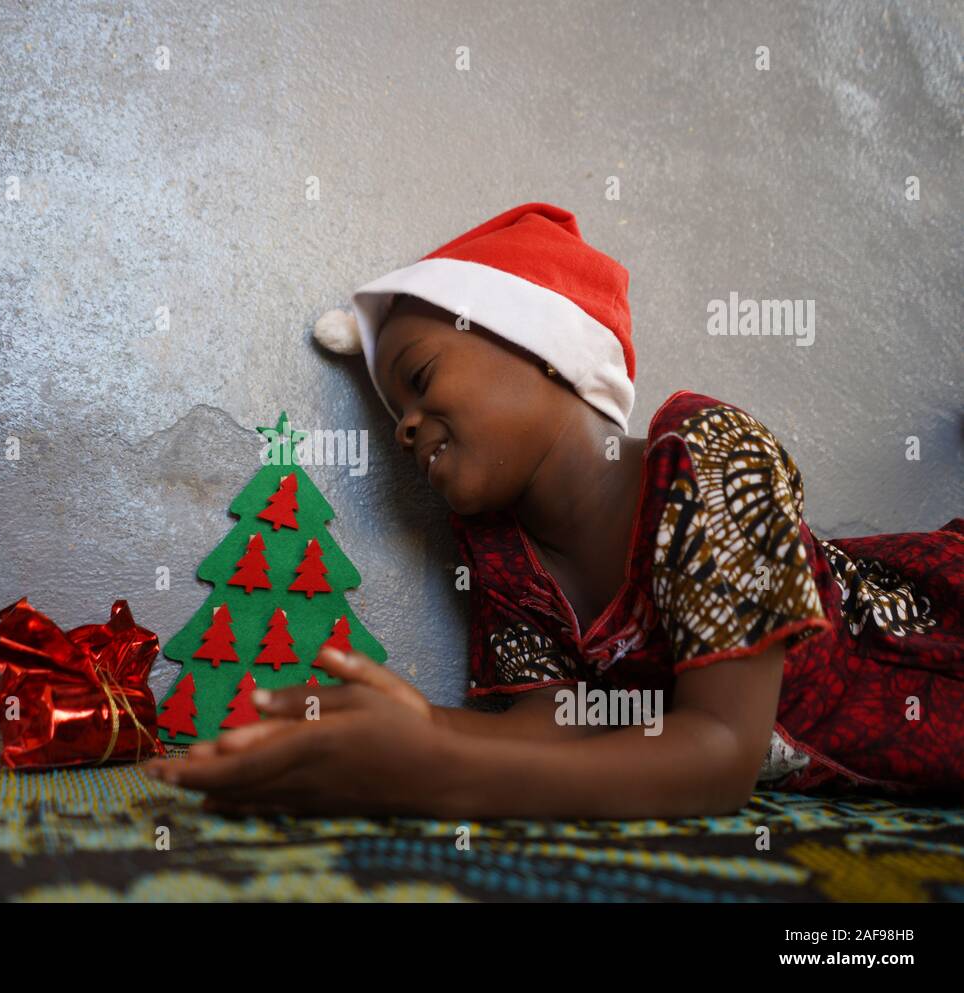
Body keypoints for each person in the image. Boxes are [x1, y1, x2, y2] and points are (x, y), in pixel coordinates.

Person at [142, 202, 963, 818]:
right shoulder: (505, 552)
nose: (403, 429)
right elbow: (551, 725)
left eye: (421, 380)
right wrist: (392, 730)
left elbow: (720, 755)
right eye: (394, 414)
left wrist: (436, 773)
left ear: (545, 348)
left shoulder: (709, 456)